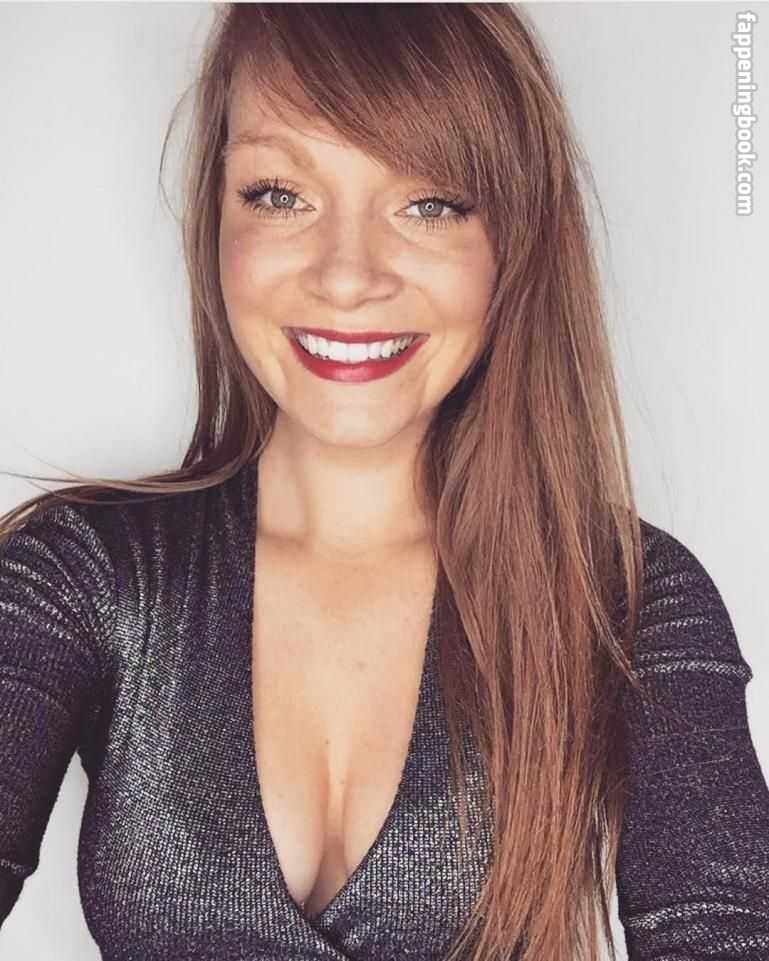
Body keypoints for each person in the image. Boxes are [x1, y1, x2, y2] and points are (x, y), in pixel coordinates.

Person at [1, 4, 768, 961]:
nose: (347, 275)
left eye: (429, 203)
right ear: (215, 219)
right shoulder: (79, 576)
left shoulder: (622, 594)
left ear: (514, 242)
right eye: (280, 194)